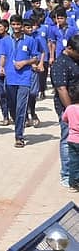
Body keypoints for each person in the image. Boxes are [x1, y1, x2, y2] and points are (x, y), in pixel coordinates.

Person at [1, 15, 40, 148]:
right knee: (12, 106)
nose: (16, 27)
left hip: (24, 78)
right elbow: (3, 55)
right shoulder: (6, 41)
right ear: (10, 25)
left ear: (22, 26)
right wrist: (1, 67)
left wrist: (25, 62)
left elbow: (36, 58)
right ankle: (18, 122)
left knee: (21, 107)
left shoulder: (30, 40)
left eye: (18, 24)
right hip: (10, 78)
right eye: (14, 24)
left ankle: (19, 136)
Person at [51, 35, 79, 189]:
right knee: (68, 139)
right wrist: (72, 111)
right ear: (69, 49)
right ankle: (67, 175)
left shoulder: (76, 59)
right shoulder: (60, 64)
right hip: (69, 109)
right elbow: (61, 89)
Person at [62, 85, 79, 192]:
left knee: (73, 161)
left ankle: (73, 183)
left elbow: (64, 119)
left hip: (72, 139)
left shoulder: (70, 108)